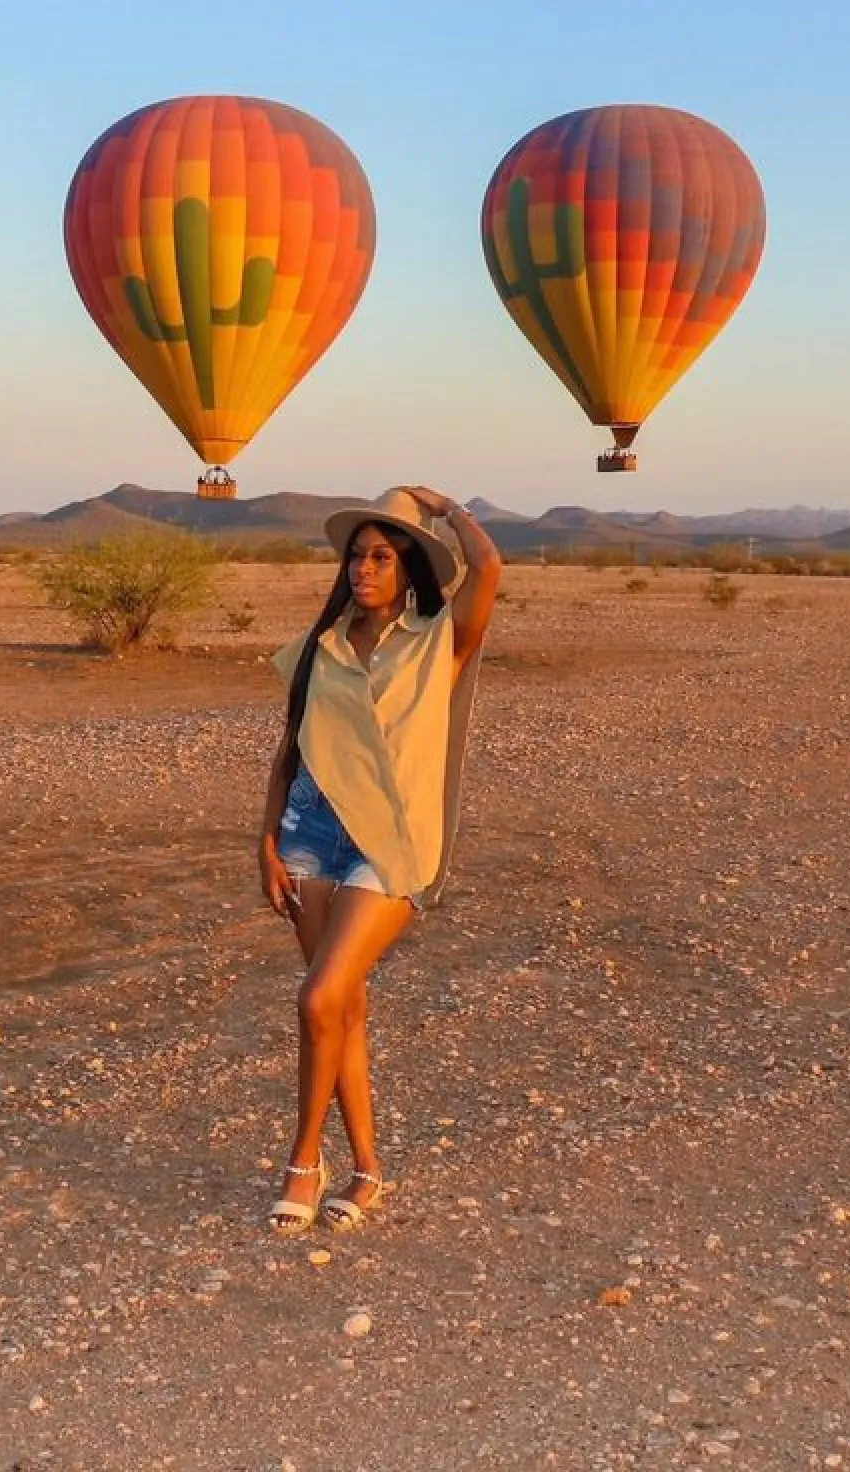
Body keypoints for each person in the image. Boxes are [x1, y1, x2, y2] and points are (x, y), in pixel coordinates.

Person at [257, 486, 502, 1234]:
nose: (364, 567)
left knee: (317, 998)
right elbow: (288, 752)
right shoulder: (319, 648)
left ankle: (303, 1158)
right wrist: (266, 841)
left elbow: (488, 568)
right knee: (342, 1008)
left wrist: (447, 509)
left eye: (380, 556)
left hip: (391, 846)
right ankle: (366, 1170)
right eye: (356, 556)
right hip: (310, 835)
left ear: (409, 567)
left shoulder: (438, 640)